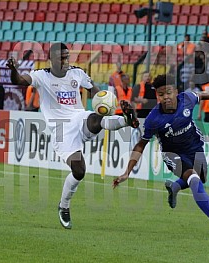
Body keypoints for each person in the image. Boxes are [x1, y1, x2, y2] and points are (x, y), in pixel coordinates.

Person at [7, 42, 139, 229]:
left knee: (95, 119)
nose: (66, 60)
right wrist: (14, 69)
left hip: (78, 117)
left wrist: (105, 101)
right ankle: (64, 206)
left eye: (67, 56)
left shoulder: (77, 73)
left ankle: (127, 121)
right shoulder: (40, 76)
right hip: (60, 130)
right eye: (61, 57)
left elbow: (95, 91)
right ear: (51, 59)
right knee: (79, 170)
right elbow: (19, 80)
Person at [112, 74, 209, 238]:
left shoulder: (187, 99)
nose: (165, 97)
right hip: (173, 154)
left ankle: (175, 186)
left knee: (202, 177)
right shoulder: (153, 119)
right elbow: (141, 145)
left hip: (194, 147)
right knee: (194, 179)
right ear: (157, 96)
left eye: (168, 92)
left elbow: (201, 95)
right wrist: (127, 171)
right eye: (161, 95)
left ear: (176, 91)